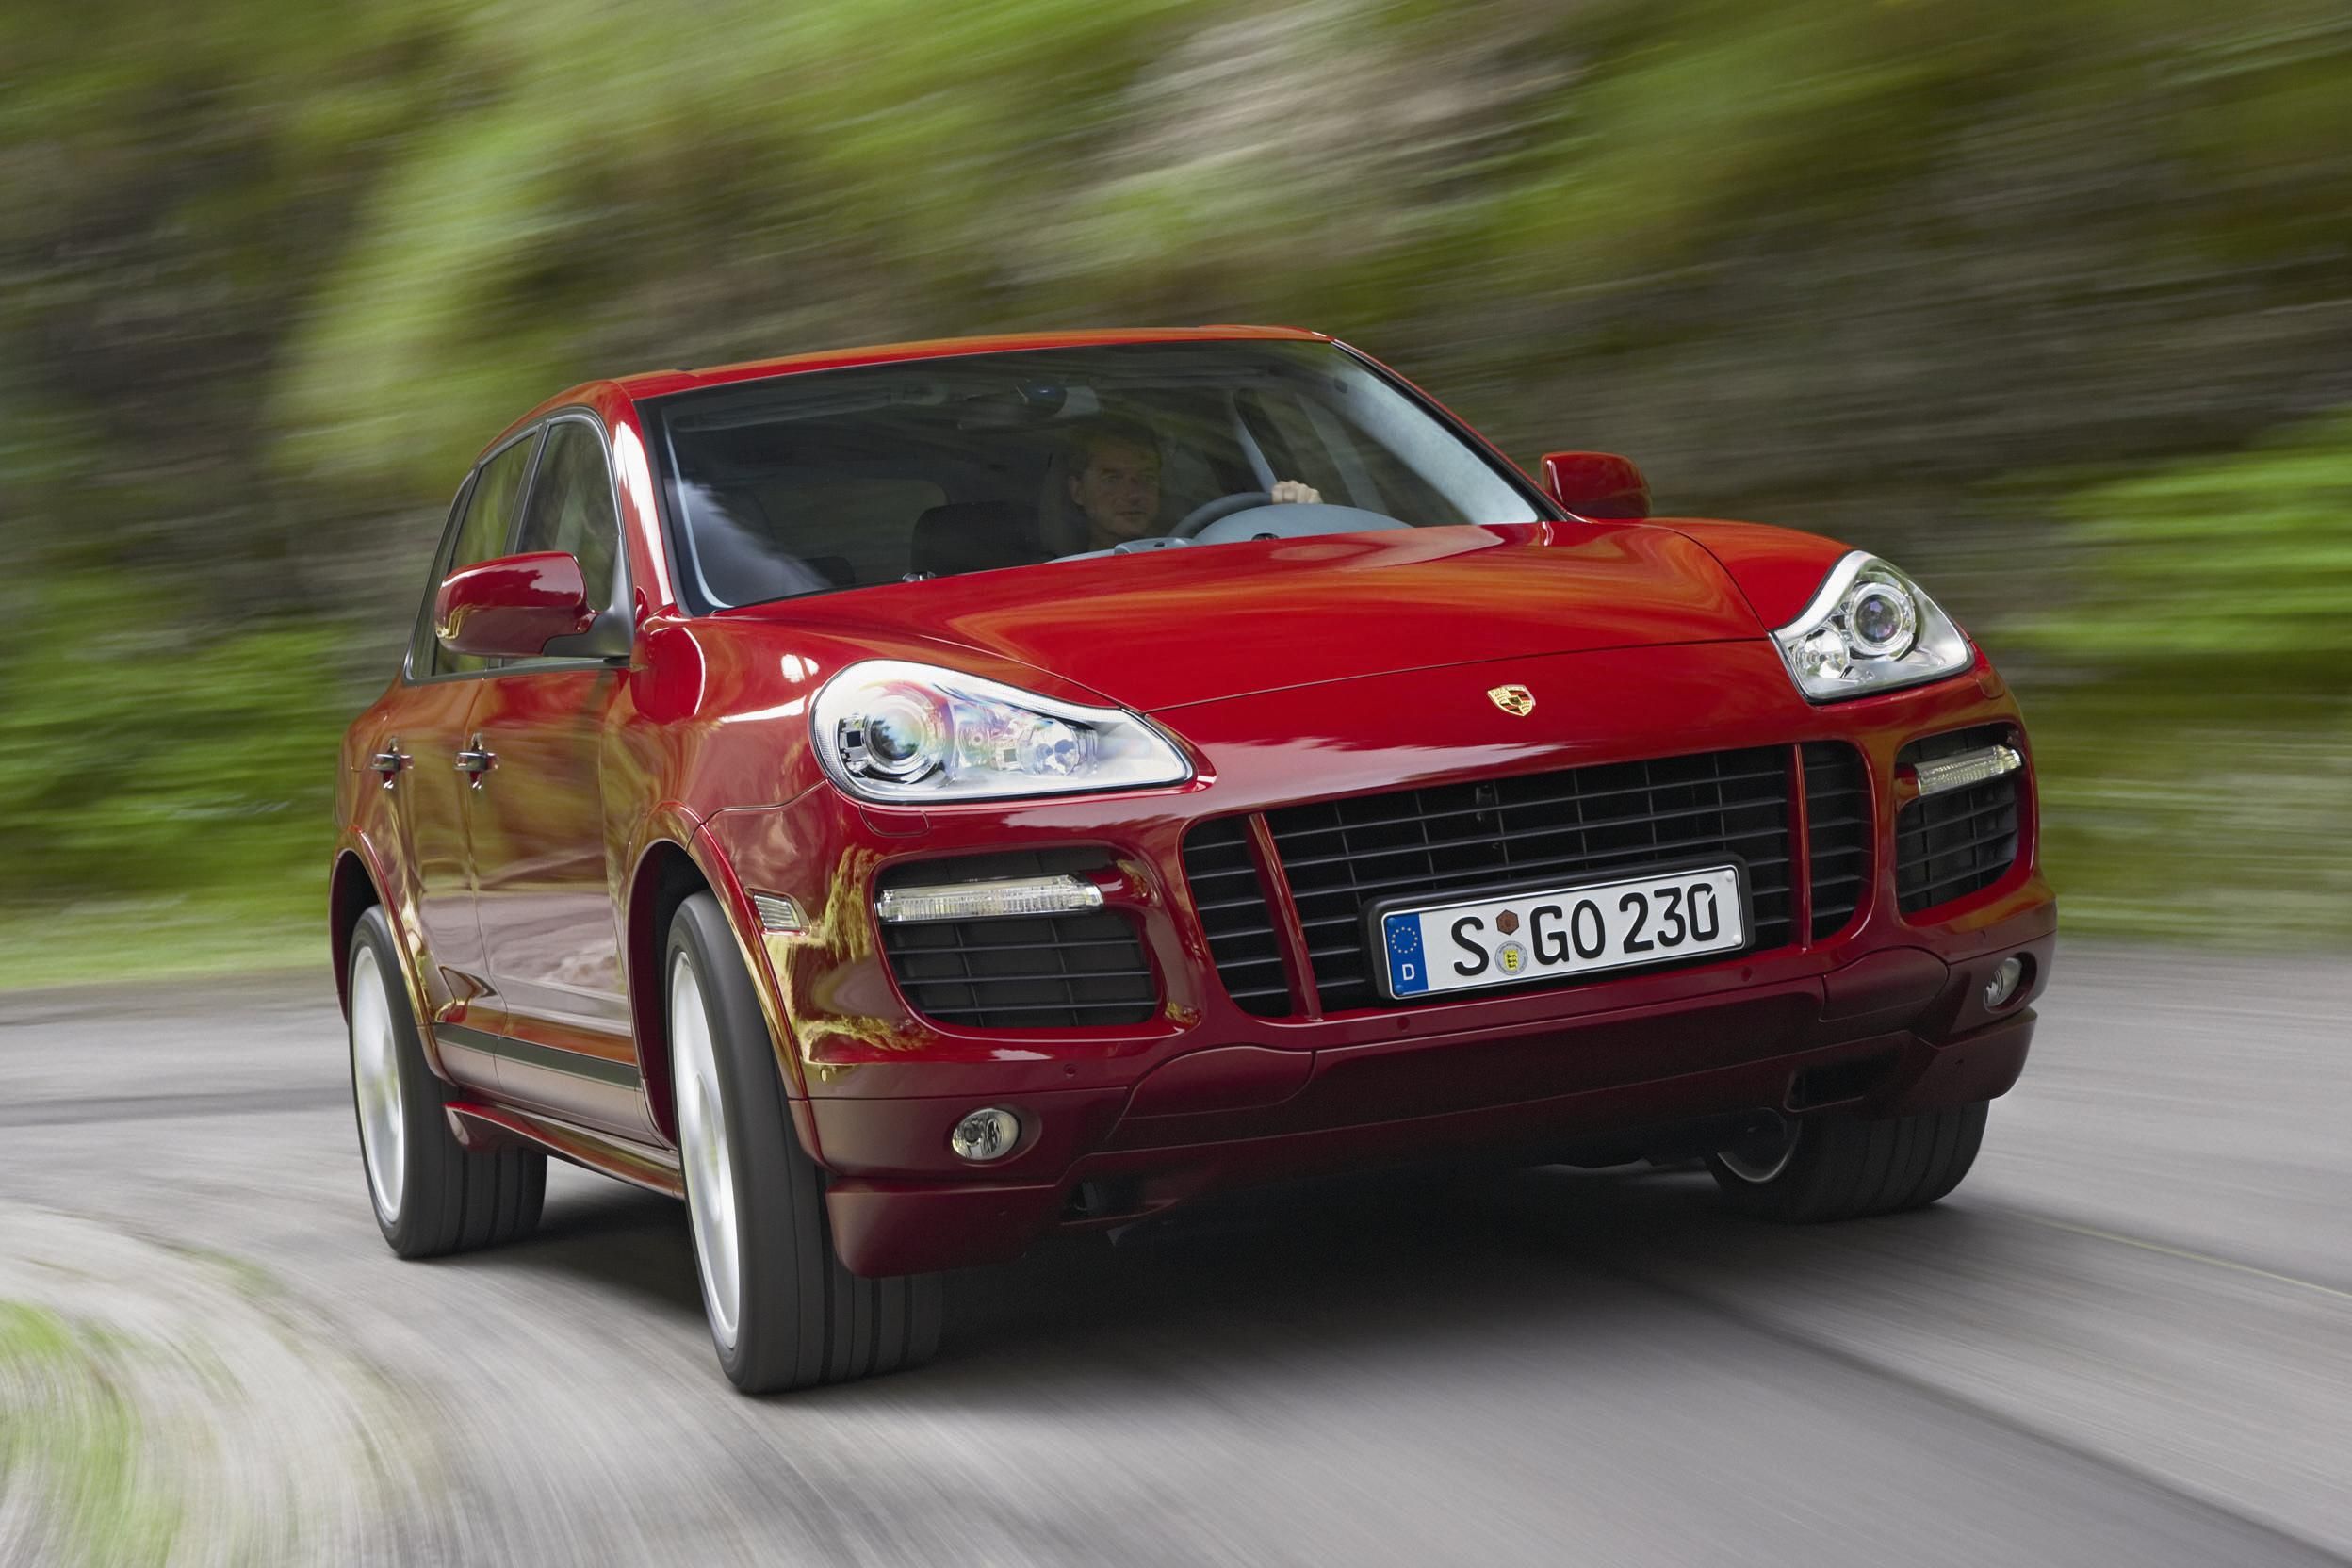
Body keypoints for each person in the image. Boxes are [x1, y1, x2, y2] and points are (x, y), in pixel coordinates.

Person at [1063, 416, 1321, 551]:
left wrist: (1308, 520)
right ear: (1078, 491)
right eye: (1112, 479)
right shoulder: (1054, 582)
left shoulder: (1211, 555)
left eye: (1147, 477)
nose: (1133, 494)